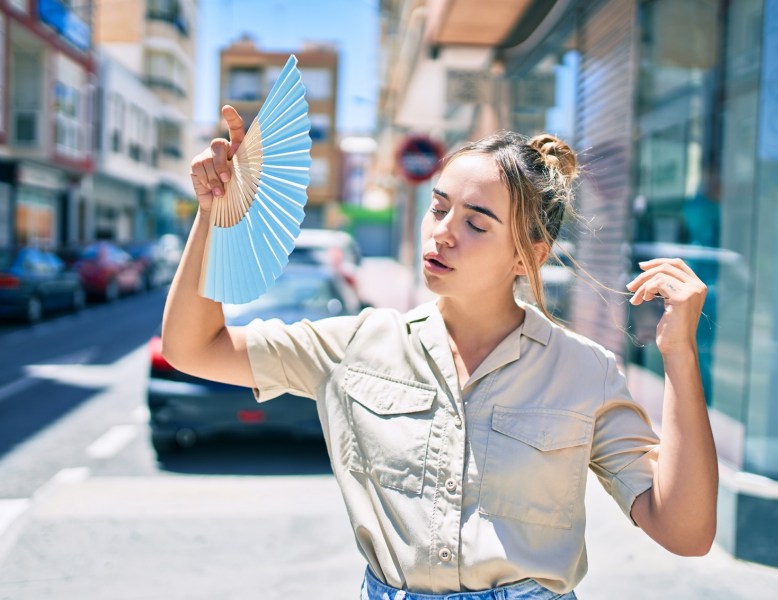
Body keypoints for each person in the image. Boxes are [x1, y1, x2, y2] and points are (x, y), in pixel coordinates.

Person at [163, 105, 718, 599]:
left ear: (529, 255)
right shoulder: (357, 343)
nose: (443, 233)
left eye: (476, 223)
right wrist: (215, 215)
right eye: (439, 208)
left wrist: (680, 358)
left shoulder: (584, 370)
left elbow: (685, 532)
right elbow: (194, 348)